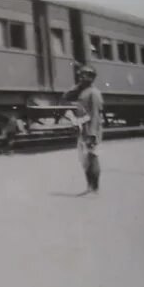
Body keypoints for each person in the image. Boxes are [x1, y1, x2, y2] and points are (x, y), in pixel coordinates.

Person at [62, 65, 103, 194]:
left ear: (91, 77)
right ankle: (89, 186)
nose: (81, 77)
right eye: (80, 75)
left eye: (84, 75)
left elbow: (95, 115)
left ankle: (94, 187)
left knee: (92, 156)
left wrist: (92, 135)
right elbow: (66, 97)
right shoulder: (82, 90)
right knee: (84, 159)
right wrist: (77, 86)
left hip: (91, 129)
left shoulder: (94, 93)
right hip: (83, 128)